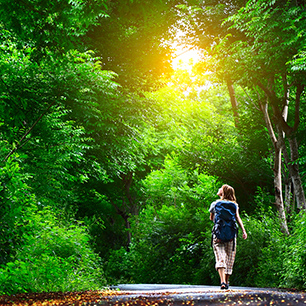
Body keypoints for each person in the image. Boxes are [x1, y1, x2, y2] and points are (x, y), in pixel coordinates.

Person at [209, 184, 247, 290]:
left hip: (218, 235)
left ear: (223, 192)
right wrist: (244, 231)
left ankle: (222, 282)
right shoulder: (234, 205)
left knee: (220, 258)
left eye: (220, 188)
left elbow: (211, 218)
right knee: (230, 259)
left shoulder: (215, 204)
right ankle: (226, 281)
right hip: (231, 235)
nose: (219, 189)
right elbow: (237, 218)